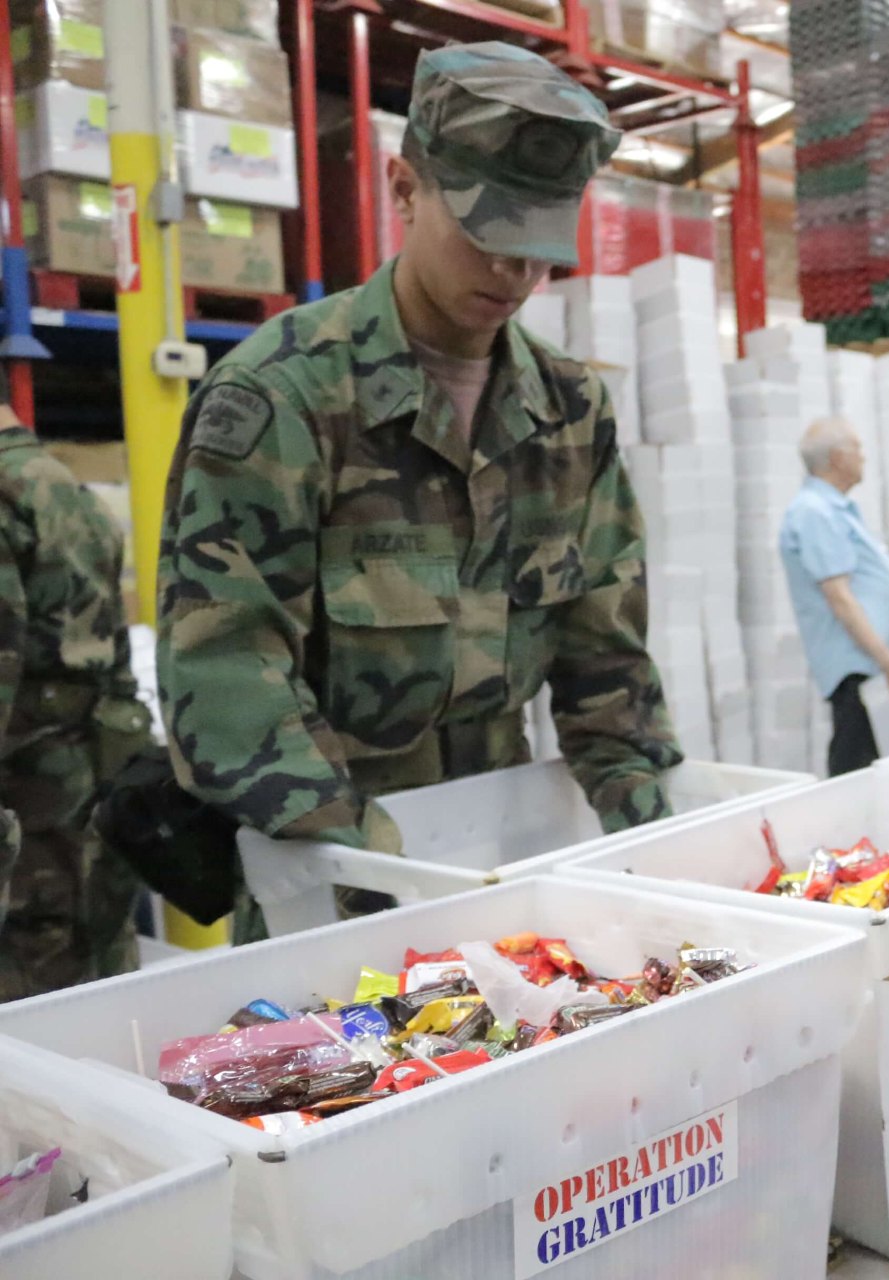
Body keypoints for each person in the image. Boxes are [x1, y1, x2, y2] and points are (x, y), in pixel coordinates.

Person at [157, 43, 683, 942]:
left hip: (503, 858)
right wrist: (393, 880)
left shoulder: (568, 410)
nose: (514, 277)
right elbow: (225, 682)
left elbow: (607, 665)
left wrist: (663, 850)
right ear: (405, 189)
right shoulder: (286, 399)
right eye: (486, 238)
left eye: (538, 251)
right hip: (326, 883)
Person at [0, 404, 150, 1001]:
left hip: (28, 800)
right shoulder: (69, 492)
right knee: (102, 959)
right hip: (93, 773)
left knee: (37, 989)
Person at [779, 417, 889, 776]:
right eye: (857, 449)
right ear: (838, 458)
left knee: (871, 760)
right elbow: (841, 599)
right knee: (854, 764)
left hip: (869, 659)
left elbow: (871, 589)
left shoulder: (838, 509)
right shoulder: (815, 513)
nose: (863, 458)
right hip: (854, 664)